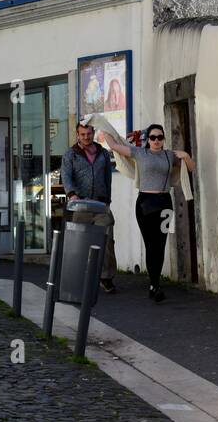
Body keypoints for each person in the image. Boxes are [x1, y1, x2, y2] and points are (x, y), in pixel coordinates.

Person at [106, 124, 195, 302]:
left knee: (161, 244)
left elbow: (191, 168)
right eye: (153, 137)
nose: (156, 141)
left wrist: (185, 155)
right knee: (150, 244)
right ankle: (154, 285)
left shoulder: (170, 155)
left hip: (165, 203)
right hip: (145, 203)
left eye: (160, 137)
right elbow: (114, 146)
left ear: (163, 138)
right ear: (148, 139)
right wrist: (103, 127)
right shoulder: (140, 153)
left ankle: (155, 285)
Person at [60, 121, 117, 293]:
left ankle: (106, 277)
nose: (86, 137)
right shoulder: (70, 154)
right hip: (81, 205)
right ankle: (79, 277)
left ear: (93, 132)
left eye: (89, 133)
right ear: (78, 134)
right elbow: (66, 176)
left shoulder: (103, 153)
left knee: (106, 241)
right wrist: (72, 194)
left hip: (100, 205)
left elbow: (108, 177)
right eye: (82, 134)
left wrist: (107, 199)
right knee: (80, 243)